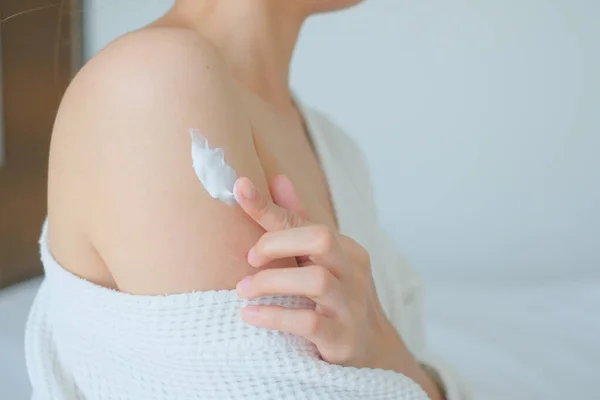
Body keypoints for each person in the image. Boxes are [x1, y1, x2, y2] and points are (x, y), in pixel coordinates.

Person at [26, 0, 470, 398]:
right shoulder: (150, 86)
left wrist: (394, 359)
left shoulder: (336, 149)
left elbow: (406, 362)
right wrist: (404, 372)